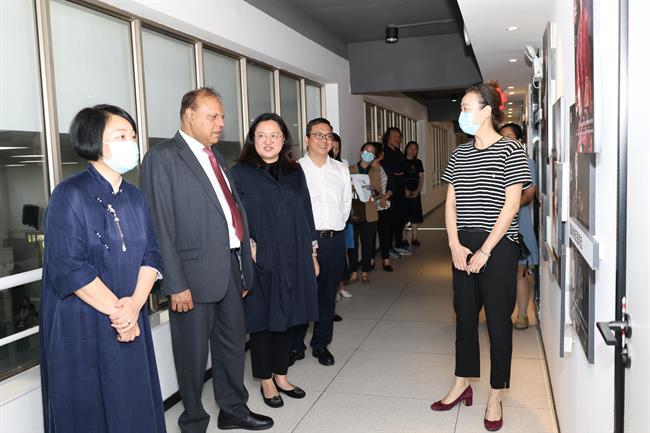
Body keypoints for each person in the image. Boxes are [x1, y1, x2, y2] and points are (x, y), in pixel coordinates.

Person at [141, 88, 272, 432]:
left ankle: (233, 410)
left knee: (232, 346)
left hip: (228, 267)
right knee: (192, 355)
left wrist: (242, 267)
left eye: (222, 117)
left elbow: (228, 213)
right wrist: (174, 283)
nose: (220, 123)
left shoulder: (216, 157)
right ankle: (193, 421)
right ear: (189, 115)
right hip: (191, 276)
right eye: (213, 116)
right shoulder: (163, 158)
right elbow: (159, 225)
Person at [39, 105, 166, 433]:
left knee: (131, 400)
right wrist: (120, 314)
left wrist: (134, 306)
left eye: (133, 136)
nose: (131, 144)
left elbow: (152, 255)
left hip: (130, 315)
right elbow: (69, 267)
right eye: (121, 136)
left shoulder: (136, 197)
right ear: (95, 141)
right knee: (89, 407)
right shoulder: (69, 195)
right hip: (83, 320)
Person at [432, 82, 532, 432]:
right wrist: (454, 244)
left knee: (499, 321)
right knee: (464, 316)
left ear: (487, 110)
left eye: (466, 107)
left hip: (499, 245)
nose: (461, 113)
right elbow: (451, 203)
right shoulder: (459, 153)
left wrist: (486, 250)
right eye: (461, 107)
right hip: (463, 243)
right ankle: (462, 382)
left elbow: (511, 205)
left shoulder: (511, 149)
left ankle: (496, 393)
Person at [229, 113, 318, 408]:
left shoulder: (294, 171)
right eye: (261, 135)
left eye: (274, 135)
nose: (268, 141)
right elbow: (233, 218)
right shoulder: (240, 173)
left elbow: (306, 212)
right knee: (262, 320)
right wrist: (249, 247)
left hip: (294, 256)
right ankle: (266, 380)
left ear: (284, 140)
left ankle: (282, 374)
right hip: (260, 258)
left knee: (290, 317)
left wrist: (312, 253)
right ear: (252, 140)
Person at [291, 117, 351, 367]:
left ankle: (321, 344)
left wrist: (333, 227)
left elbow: (346, 205)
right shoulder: (295, 170)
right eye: (318, 135)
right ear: (307, 139)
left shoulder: (341, 169)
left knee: (327, 296)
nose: (324, 140)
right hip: (305, 240)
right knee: (302, 294)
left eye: (328, 135)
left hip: (334, 239)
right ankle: (296, 345)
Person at [499, 123, 539, 330]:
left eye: (509, 137)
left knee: (519, 271)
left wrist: (510, 206)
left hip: (519, 223)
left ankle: (522, 315)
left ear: (520, 141)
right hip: (496, 224)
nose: (504, 141)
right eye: (502, 137)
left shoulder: (528, 163)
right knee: (498, 274)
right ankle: (499, 315)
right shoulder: (494, 161)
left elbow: (530, 194)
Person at [347, 143, 382, 285]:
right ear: (361, 151)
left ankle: (366, 272)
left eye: (372, 152)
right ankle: (353, 272)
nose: (368, 153)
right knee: (353, 244)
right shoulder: (350, 169)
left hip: (370, 213)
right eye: (366, 150)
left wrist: (370, 190)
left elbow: (379, 191)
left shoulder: (375, 171)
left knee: (368, 244)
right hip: (353, 212)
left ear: (374, 156)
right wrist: (352, 188)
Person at [381, 127, 412, 257]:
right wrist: (399, 173)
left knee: (400, 219)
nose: (397, 139)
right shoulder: (384, 152)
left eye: (399, 136)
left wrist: (400, 173)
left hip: (400, 190)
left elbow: (405, 169)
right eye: (394, 136)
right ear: (387, 137)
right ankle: (389, 248)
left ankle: (398, 244)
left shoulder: (398, 151)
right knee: (390, 222)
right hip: (390, 192)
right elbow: (391, 173)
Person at [329, 133, 352, 301]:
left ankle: (340, 285)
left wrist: (342, 218)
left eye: (337, 148)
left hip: (340, 220)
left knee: (342, 255)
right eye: (333, 147)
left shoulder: (342, 165)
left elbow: (346, 196)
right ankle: (333, 289)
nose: (334, 151)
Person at [370, 142, 395, 272]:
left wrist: (385, 197)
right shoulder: (367, 167)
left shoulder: (386, 166)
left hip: (385, 205)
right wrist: (378, 198)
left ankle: (386, 260)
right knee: (371, 234)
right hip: (371, 206)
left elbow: (393, 183)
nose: (384, 153)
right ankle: (371, 259)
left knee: (386, 233)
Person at [403, 141, 424, 246]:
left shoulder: (418, 162)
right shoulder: (401, 161)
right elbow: (400, 177)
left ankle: (414, 238)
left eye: (415, 149)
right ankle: (404, 238)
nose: (412, 151)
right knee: (404, 215)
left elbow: (421, 178)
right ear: (406, 149)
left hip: (415, 191)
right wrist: (404, 190)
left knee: (415, 216)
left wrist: (417, 191)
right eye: (410, 148)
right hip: (404, 191)